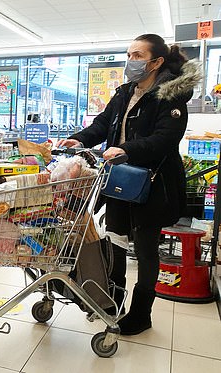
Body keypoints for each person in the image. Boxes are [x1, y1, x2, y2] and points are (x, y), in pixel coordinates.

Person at [58, 34, 202, 335]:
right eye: (129, 55)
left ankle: (141, 314)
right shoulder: (125, 92)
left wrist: (129, 149)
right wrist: (80, 139)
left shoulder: (169, 96)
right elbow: (102, 124)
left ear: (156, 62)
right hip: (119, 181)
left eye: (137, 55)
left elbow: (166, 139)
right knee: (116, 242)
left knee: (147, 251)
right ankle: (113, 303)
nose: (130, 61)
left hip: (152, 185)